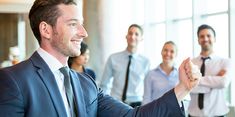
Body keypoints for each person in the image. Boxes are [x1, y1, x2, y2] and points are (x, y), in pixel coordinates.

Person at [0, 0, 201, 116]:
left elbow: (133, 115)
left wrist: (182, 88)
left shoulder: (86, 84)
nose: (84, 32)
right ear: (46, 29)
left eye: (82, 23)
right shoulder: (12, 80)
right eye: (73, 24)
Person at [99, 24, 150, 107]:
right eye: (130, 33)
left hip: (137, 105)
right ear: (126, 36)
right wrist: (104, 103)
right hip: (116, 103)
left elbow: (148, 89)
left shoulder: (146, 62)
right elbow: (104, 84)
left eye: (136, 34)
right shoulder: (113, 58)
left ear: (141, 39)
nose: (132, 37)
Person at [188, 24, 233, 117]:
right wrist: (215, 80)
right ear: (198, 40)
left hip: (218, 114)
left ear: (214, 39)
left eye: (208, 36)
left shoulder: (225, 62)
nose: (205, 39)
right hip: (193, 114)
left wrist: (197, 80)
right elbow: (188, 87)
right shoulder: (190, 63)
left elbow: (223, 83)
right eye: (202, 36)